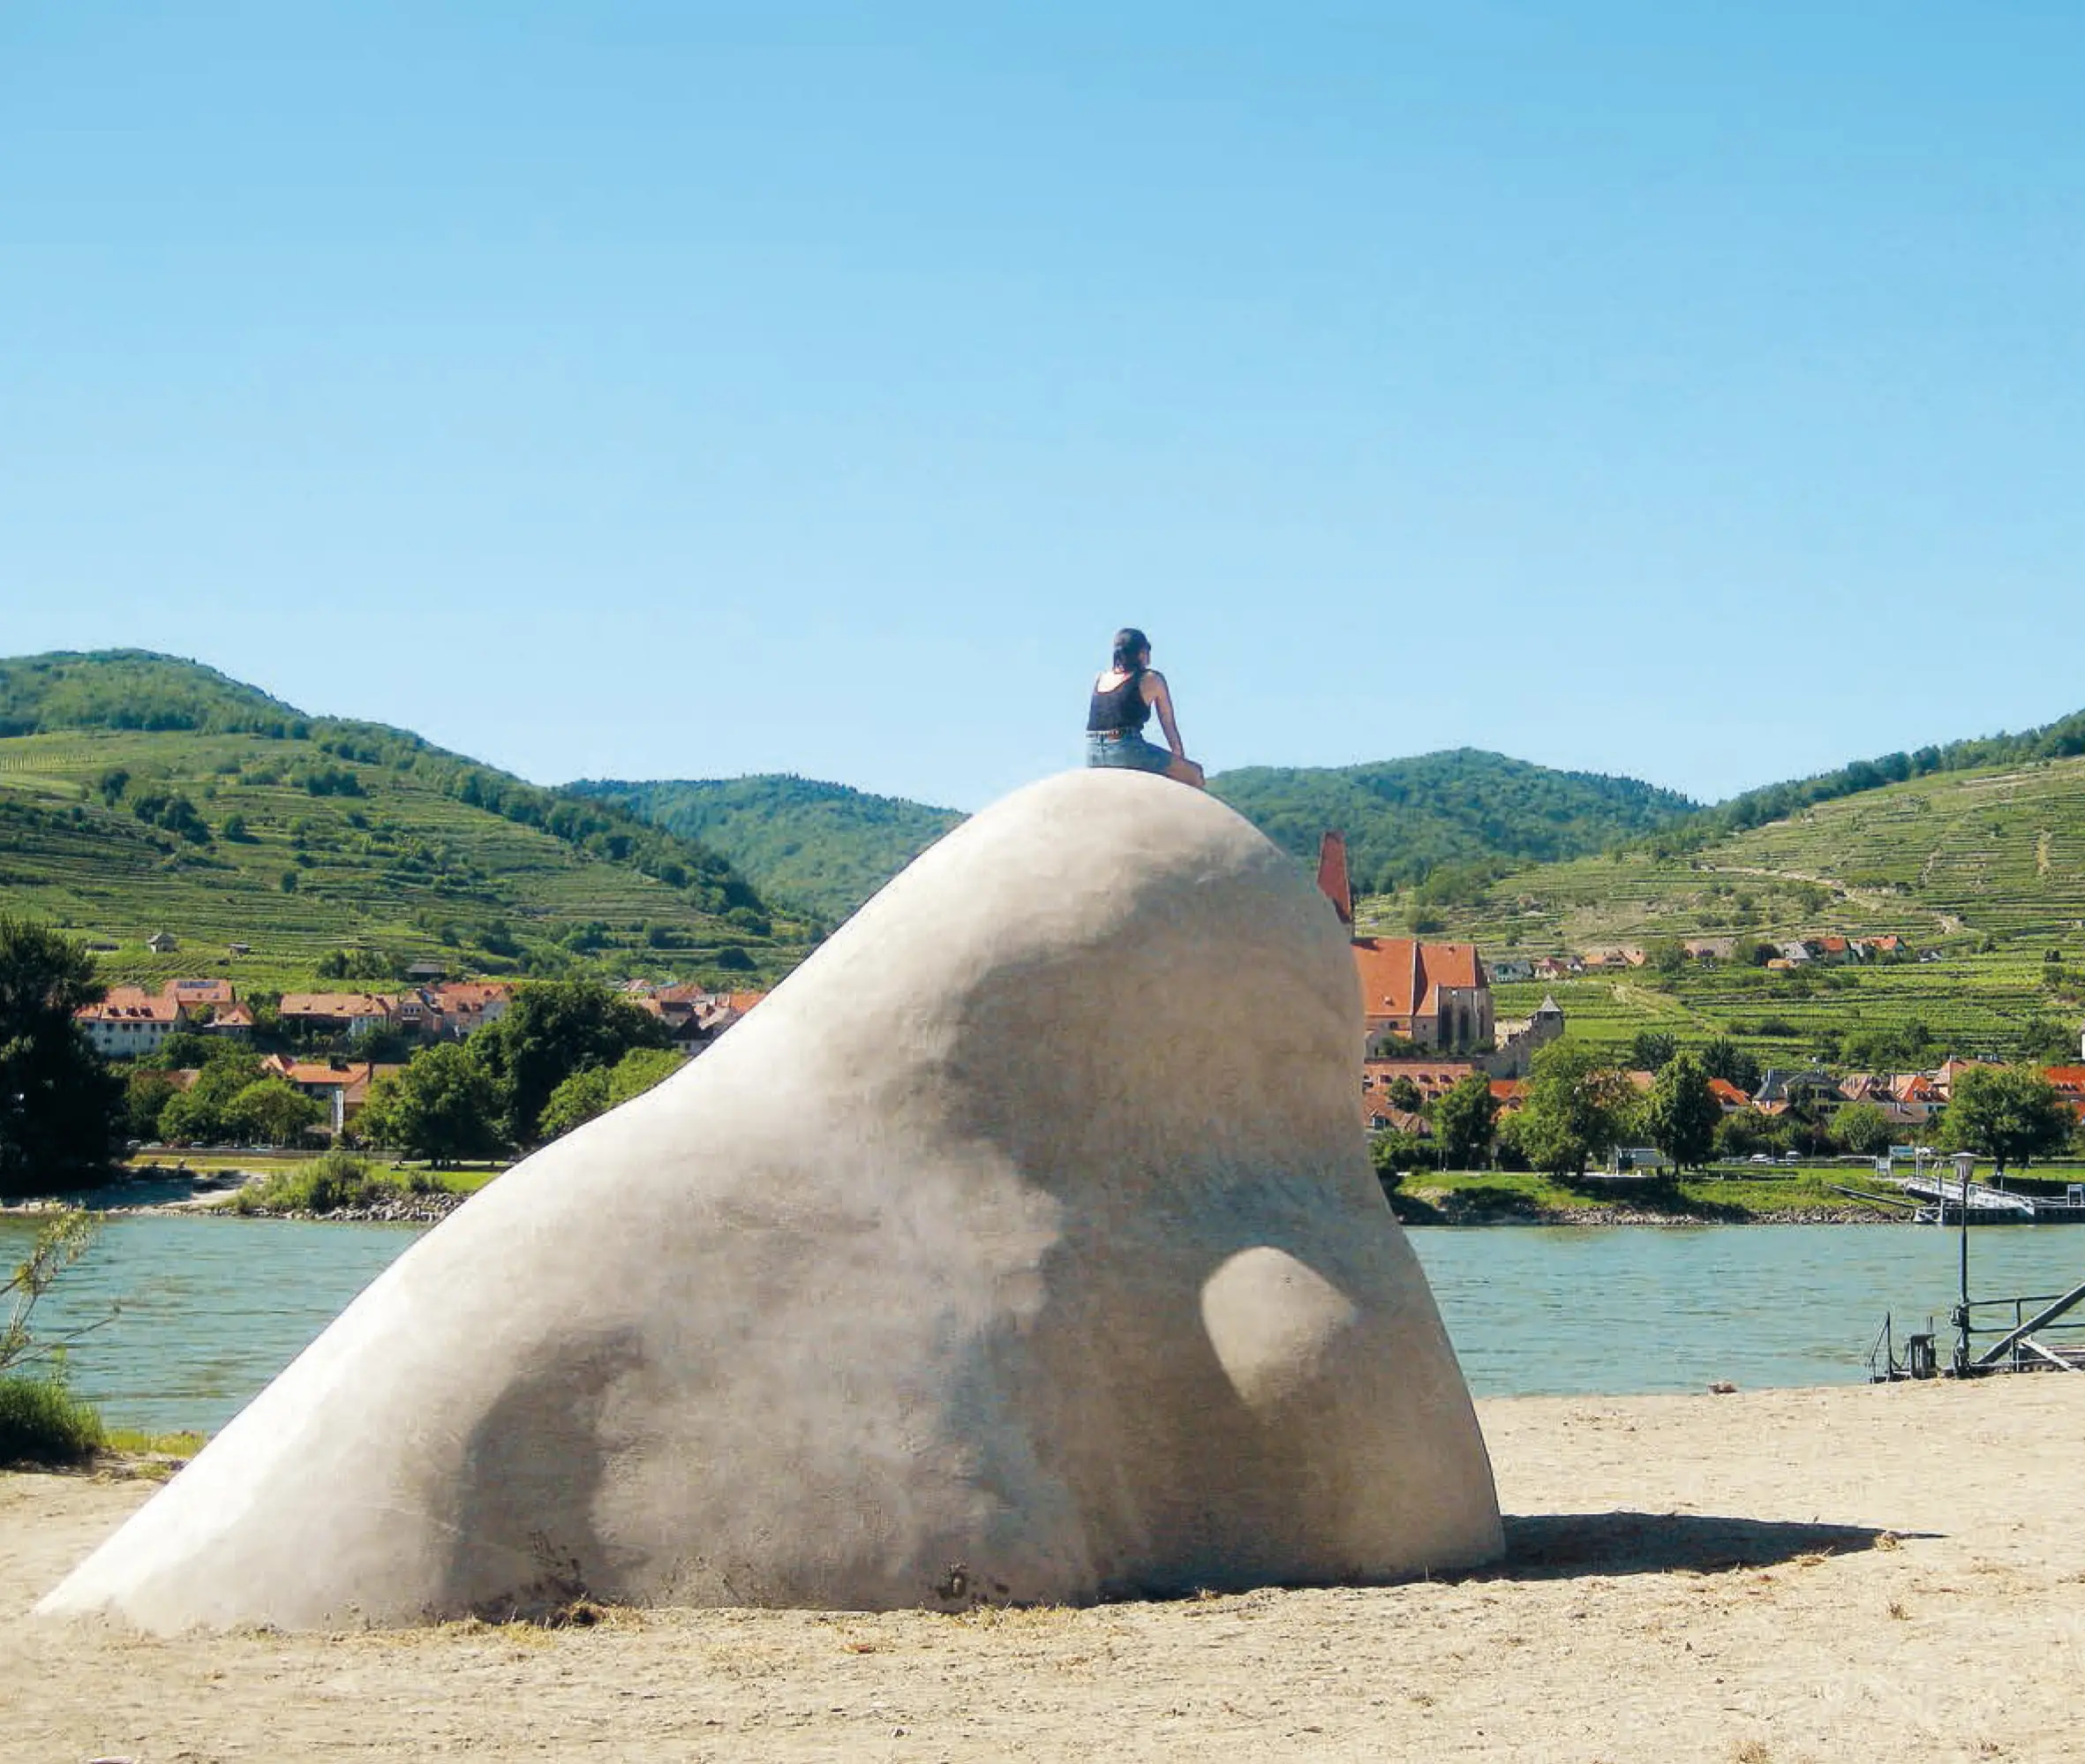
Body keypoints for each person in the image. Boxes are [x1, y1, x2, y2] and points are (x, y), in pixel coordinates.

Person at [1085, 627, 1205, 788]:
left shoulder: (1100, 678)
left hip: (1092, 752)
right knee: (1195, 773)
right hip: (1125, 747)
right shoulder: (1151, 679)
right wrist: (1179, 761)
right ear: (1142, 653)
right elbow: (1168, 724)